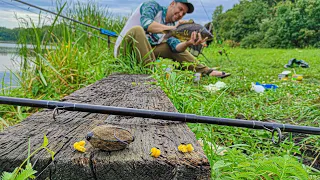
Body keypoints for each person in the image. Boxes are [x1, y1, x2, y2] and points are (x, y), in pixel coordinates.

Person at [114, 0, 231, 78]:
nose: (180, 14)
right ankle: (151, 75)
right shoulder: (152, 6)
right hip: (125, 52)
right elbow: (147, 24)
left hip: (143, 56)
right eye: (180, 9)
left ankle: (206, 71)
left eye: (183, 13)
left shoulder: (174, 25)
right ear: (172, 4)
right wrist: (173, 28)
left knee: (170, 47)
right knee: (137, 30)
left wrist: (188, 43)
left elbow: (176, 47)